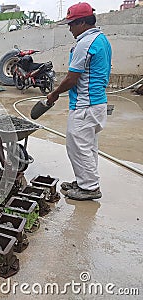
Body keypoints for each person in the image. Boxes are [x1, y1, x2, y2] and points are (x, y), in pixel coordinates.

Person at [47, 2, 111, 200]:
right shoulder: (101, 39)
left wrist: (55, 93)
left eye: (72, 24)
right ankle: (85, 181)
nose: (70, 29)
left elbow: (72, 78)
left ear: (83, 22)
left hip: (85, 105)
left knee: (78, 147)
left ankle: (89, 187)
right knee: (88, 147)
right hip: (96, 103)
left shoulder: (86, 43)